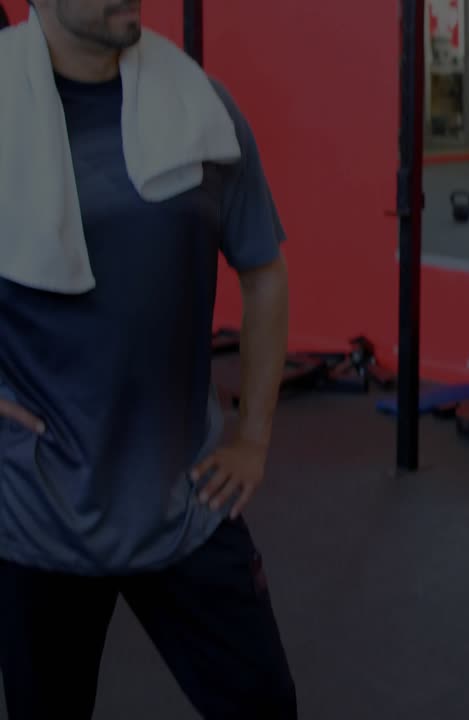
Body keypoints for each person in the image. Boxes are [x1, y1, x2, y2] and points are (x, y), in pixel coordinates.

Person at [0, 1, 295, 718]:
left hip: (185, 497)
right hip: (40, 513)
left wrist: (252, 438)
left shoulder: (200, 110)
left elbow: (263, 272)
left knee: (265, 708)